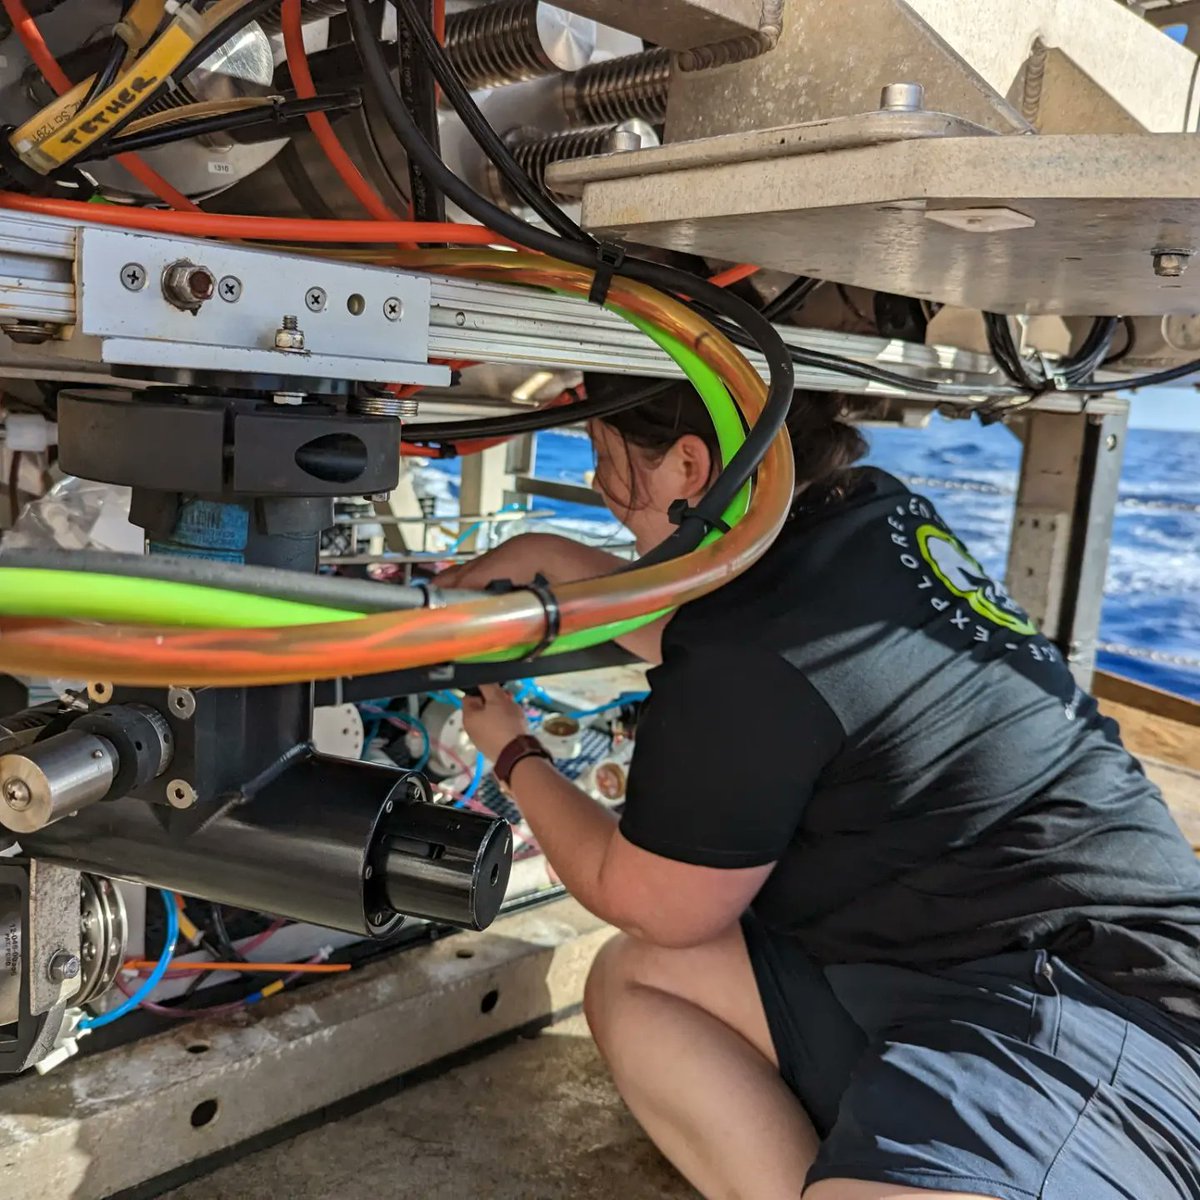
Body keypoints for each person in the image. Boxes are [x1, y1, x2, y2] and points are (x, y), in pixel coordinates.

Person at [436, 375, 1200, 1200]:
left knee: (655, 939)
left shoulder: (748, 648)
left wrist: (513, 751)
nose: (597, 485)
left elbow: (653, 900)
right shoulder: (867, 512)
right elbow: (744, 636)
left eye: (607, 458)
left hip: (1095, 1007)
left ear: (688, 467)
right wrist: (551, 558)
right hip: (940, 971)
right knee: (641, 981)